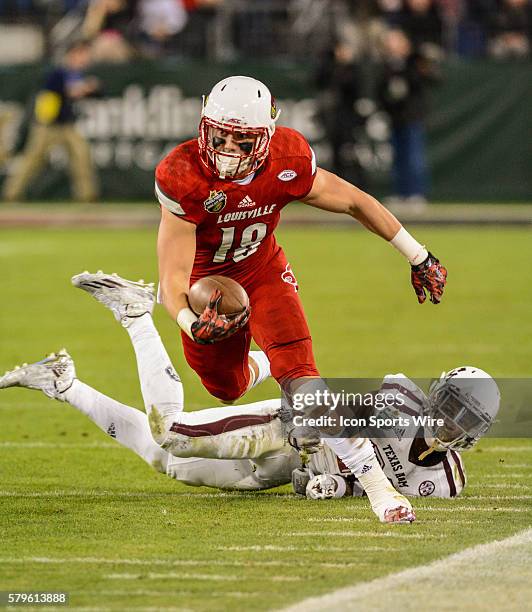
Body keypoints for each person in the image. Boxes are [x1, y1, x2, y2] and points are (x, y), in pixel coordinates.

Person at [154, 75, 447, 520]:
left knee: (304, 378)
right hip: (209, 291)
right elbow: (172, 278)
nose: (229, 149)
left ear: (266, 137)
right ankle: (268, 361)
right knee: (225, 388)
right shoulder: (182, 174)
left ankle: (379, 489)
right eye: (221, 135)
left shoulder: (286, 159)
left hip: (263, 271)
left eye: (242, 139)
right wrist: (193, 323)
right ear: (204, 126)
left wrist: (418, 255)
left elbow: (354, 201)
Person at [0, 285, 500, 504]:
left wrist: (336, 487)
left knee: (169, 463)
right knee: (173, 433)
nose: (454, 424)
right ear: (437, 396)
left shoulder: (447, 483)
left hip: (287, 474)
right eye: (453, 408)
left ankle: (63, 383)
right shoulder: (398, 397)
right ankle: (136, 315)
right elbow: (330, 400)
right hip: (288, 433)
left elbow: (369, 481)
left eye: (467, 422)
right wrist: (306, 418)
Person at [2, 39, 99, 203]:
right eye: (82, 54)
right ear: (73, 54)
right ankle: (11, 194)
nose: (85, 59)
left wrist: (87, 89)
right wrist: (81, 89)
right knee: (32, 160)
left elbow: (95, 92)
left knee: (82, 156)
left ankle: (87, 197)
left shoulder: (77, 74)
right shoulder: (57, 71)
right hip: (47, 125)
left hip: (67, 125)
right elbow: (56, 90)